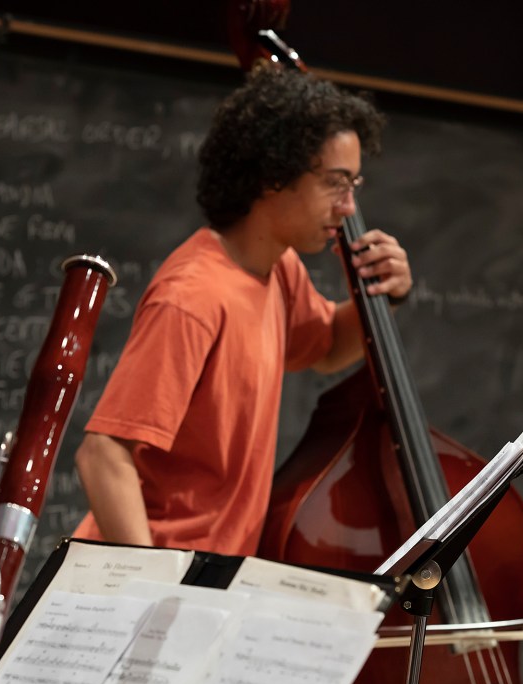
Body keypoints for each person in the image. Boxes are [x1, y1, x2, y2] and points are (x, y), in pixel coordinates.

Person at [73, 65, 413, 556]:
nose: (348, 206)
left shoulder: (280, 269)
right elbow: (102, 454)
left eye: (353, 184)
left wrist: (385, 294)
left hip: (206, 576)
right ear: (275, 175)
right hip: (157, 577)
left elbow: (327, 349)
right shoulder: (193, 296)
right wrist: (148, 585)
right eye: (336, 183)